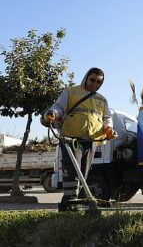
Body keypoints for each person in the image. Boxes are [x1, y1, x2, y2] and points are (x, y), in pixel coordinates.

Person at [44, 67, 116, 212]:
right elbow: (59, 107)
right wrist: (52, 113)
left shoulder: (101, 99)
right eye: (92, 80)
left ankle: (76, 201)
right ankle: (69, 201)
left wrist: (108, 128)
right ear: (86, 78)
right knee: (71, 170)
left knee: (83, 171)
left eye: (98, 82)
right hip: (71, 138)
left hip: (91, 140)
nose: (95, 84)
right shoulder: (71, 92)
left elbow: (107, 117)